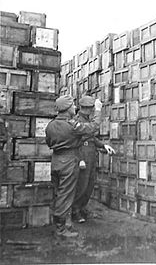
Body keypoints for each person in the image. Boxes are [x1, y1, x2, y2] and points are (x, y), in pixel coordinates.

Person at [45, 95, 102, 238]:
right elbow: (93, 127)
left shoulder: (50, 125)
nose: (74, 108)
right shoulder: (72, 125)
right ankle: (61, 229)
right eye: (72, 106)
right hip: (69, 161)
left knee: (60, 193)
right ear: (67, 108)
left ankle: (66, 225)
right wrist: (99, 111)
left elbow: (48, 142)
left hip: (56, 160)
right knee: (66, 195)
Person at [72, 95, 115, 223]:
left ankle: (82, 207)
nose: (91, 110)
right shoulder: (77, 120)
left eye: (92, 108)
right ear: (84, 108)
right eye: (90, 108)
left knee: (89, 185)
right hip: (82, 156)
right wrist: (80, 159)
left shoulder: (86, 119)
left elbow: (91, 137)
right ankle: (75, 211)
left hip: (90, 155)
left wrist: (103, 145)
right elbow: (75, 142)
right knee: (81, 185)